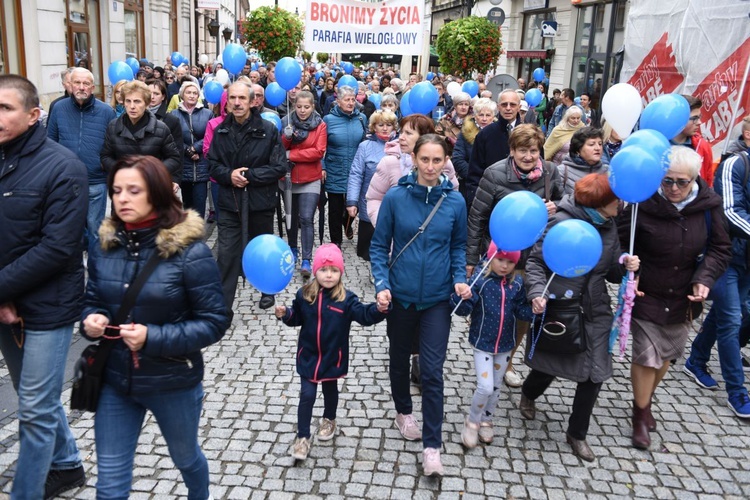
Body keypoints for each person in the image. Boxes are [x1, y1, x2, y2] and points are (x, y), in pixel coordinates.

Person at [81, 155, 229, 497]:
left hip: (172, 380)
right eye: (116, 190)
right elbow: (91, 299)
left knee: (186, 457)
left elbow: (214, 322)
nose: (122, 198)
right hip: (115, 379)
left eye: (134, 190)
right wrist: (91, 319)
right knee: (110, 483)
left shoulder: (190, 253)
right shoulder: (105, 246)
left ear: (157, 194)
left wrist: (153, 337)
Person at [0, 74, 88, 499]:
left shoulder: (63, 166)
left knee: (33, 408)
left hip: (48, 306)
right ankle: (68, 465)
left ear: (35, 115)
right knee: (34, 394)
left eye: (5, 108)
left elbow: (58, 248)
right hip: (5, 303)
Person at [370, 134, 471, 477]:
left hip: (437, 300)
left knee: (431, 371)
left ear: (446, 162)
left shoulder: (455, 201)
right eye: (423, 160)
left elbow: (459, 247)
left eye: (436, 160)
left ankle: (432, 447)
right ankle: (403, 410)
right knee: (398, 359)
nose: (429, 167)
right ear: (413, 158)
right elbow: (379, 245)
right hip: (400, 296)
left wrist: (459, 277)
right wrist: (382, 285)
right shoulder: (397, 197)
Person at [521, 173, 640, 462]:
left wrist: (626, 264)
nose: (621, 204)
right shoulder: (561, 222)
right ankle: (529, 393)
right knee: (549, 365)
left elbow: (611, 270)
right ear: (601, 204)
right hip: (562, 305)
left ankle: (577, 433)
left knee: (595, 373)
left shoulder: (609, 225)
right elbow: (536, 262)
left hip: (595, 308)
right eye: (615, 201)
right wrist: (537, 292)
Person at [619, 146, 731, 448]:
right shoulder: (642, 203)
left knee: (666, 355)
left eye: (681, 182)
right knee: (646, 355)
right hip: (647, 291)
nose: (673, 188)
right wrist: (629, 266)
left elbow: (720, 248)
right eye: (667, 181)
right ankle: (640, 414)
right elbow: (619, 240)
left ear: (695, 179)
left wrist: (704, 279)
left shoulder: (708, 207)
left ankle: (647, 399)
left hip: (684, 296)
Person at [467, 124, 564, 387]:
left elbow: (565, 203)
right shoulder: (495, 174)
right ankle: (486, 353)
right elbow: (477, 216)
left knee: (521, 314)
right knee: (495, 310)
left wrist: (558, 206)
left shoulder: (550, 172)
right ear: (512, 150)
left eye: (533, 151)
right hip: (500, 256)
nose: (528, 156)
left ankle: (506, 362)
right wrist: (470, 260)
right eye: (522, 150)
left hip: (533, 258)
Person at [275, 244, 387, 460]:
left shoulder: (346, 299)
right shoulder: (304, 295)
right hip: (308, 356)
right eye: (324, 270)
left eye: (334, 270)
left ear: (340, 273)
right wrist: (286, 314)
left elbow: (364, 315)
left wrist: (379, 309)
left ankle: (329, 418)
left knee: (330, 390)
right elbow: (297, 317)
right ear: (315, 271)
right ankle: (303, 437)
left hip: (331, 358)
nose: (328, 275)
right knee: (306, 395)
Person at [684, 143, 750, 418]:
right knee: (732, 319)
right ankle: (737, 393)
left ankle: (696, 357)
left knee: (730, 314)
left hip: (748, 262)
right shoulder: (737, 165)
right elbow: (731, 212)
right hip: (727, 257)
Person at [208, 82, 286, 312]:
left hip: (260, 202)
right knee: (227, 255)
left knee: (262, 249)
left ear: (252, 101)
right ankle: (223, 308)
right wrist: (229, 175)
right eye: (233, 98)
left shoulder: (268, 129)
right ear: (227, 101)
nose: (237, 102)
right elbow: (212, 165)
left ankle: (267, 290)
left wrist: (250, 175)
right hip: (230, 202)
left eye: (242, 98)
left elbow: (279, 167)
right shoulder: (221, 130)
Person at [451, 243, 534, 448]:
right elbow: (464, 310)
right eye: (500, 260)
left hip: (505, 345)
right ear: (490, 259)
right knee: (485, 386)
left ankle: (487, 419)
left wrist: (535, 309)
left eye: (510, 262)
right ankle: (472, 421)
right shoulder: (482, 282)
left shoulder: (517, 284)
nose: (504, 266)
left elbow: (522, 311)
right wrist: (461, 298)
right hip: (483, 343)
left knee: (496, 387)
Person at [47, 67, 117, 251]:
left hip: (96, 180)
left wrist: (105, 167)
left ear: (92, 87)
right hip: (66, 180)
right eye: (77, 82)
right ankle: (74, 271)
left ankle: (95, 272)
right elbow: (50, 141)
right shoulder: (58, 108)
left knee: (95, 229)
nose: (81, 87)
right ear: (69, 85)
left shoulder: (106, 112)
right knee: (70, 230)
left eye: (86, 83)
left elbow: (113, 145)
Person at [281, 89, 327, 277]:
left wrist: (291, 154)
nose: (302, 110)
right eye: (299, 107)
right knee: (291, 216)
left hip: (310, 178)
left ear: (313, 107)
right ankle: (293, 249)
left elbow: (318, 152)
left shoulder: (320, 125)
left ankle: (307, 259)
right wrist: (287, 137)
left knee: (306, 217)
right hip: (288, 178)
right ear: (294, 106)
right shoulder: (286, 122)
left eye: (306, 107)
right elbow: (278, 148)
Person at [100, 80, 182, 183]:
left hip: (152, 186)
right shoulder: (113, 126)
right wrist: (121, 170)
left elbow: (174, 158)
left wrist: (152, 172)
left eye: (137, 101)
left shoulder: (161, 128)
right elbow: (105, 156)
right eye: (128, 101)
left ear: (146, 103)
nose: (132, 106)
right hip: (124, 185)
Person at [346, 109, 398, 266]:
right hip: (370, 203)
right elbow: (356, 174)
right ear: (374, 127)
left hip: (395, 204)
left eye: (388, 125)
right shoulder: (365, 146)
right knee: (370, 245)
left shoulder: (400, 145)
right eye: (380, 124)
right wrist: (352, 201)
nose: (384, 128)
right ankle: (376, 269)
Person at [322, 85, 368, 247]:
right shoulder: (328, 120)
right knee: (335, 208)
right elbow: (322, 146)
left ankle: (347, 223)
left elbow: (365, 143)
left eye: (353, 99)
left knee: (353, 202)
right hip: (335, 168)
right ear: (338, 101)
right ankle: (336, 243)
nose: (350, 103)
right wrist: (322, 166)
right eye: (347, 99)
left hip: (356, 169)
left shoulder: (361, 118)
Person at [465, 90, 522, 205]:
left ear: (519, 107)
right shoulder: (485, 134)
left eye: (513, 104)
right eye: (504, 104)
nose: (508, 108)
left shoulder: (530, 134)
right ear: (498, 107)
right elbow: (475, 172)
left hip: (520, 199)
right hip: (490, 200)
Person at [172, 80, 214, 218]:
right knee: (187, 206)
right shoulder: (173, 115)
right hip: (184, 165)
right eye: (188, 92)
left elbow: (210, 135)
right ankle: (189, 236)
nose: (191, 95)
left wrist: (196, 149)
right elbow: (173, 138)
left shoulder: (207, 114)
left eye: (195, 93)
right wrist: (188, 151)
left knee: (200, 205)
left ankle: (199, 236)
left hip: (201, 164)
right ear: (182, 94)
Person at [452, 97, 496, 206]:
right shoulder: (465, 133)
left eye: (488, 115)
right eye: (481, 115)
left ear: (493, 117)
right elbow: (457, 158)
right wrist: (475, 176)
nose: (484, 119)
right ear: (475, 116)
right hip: (471, 185)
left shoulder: (499, 134)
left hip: (495, 185)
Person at [670, 95, 715, 186]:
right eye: (694, 118)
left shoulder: (702, 146)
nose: (699, 122)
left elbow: (707, 182)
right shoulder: (657, 145)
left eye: (699, 117)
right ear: (678, 118)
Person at [557, 126, 607, 194]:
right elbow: (557, 201)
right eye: (591, 144)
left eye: (600, 144)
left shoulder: (607, 170)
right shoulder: (562, 171)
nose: (598, 148)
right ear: (578, 149)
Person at [147, 78, 184, 165]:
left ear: (163, 96)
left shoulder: (171, 120)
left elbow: (177, 153)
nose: (152, 97)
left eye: (156, 94)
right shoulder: (137, 117)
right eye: (149, 93)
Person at [435, 91, 471, 156]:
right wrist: (447, 139)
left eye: (466, 104)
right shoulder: (445, 119)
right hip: (449, 155)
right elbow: (435, 136)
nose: (463, 107)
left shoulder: (474, 120)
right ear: (455, 106)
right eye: (460, 104)